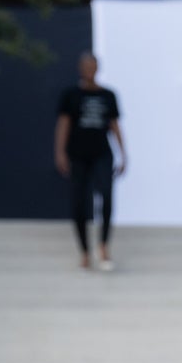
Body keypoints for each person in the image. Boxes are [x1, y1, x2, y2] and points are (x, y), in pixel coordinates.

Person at [55, 53, 126, 272]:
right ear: (80, 68)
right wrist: (60, 152)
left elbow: (114, 125)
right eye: (86, 66)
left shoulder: (108, 95)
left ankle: (103, 245)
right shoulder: (71, 95)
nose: (89, 70)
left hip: (102, 154)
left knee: (105, 196)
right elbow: (63, 124)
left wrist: (123, 153)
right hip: (78, 155)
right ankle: (85, 251)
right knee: (79, 202)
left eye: (93, 66)